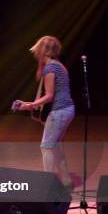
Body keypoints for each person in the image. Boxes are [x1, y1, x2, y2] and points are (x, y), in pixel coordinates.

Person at [14, 35, 76, 189]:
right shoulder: (59, 66)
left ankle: (48, 184)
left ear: (42, 51)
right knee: (55, 146)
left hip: (60, 111)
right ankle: (67, 181)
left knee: (46, 146)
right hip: (68, 110)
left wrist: (29, 106)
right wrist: (28, 104)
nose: (35, 53)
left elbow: (49, 96)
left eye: (37, 50)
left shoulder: (50, 68)